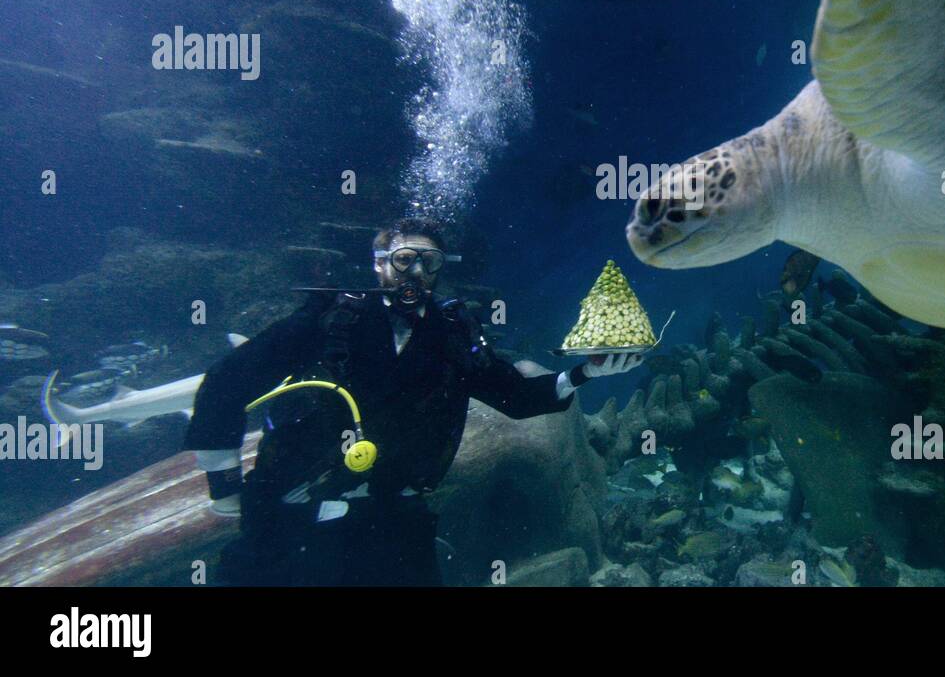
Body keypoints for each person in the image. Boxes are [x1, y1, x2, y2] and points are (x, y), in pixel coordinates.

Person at [183, 217, 640, 586]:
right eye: (404, 260)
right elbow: (228, 380)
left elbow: (513, 396)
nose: (416, 273)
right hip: (291, 510)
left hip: (392, 517)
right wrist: (224, 485)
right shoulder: (331, 320)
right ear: (380, 264)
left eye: (430, 262)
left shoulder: (454, 331)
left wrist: (584, 373)